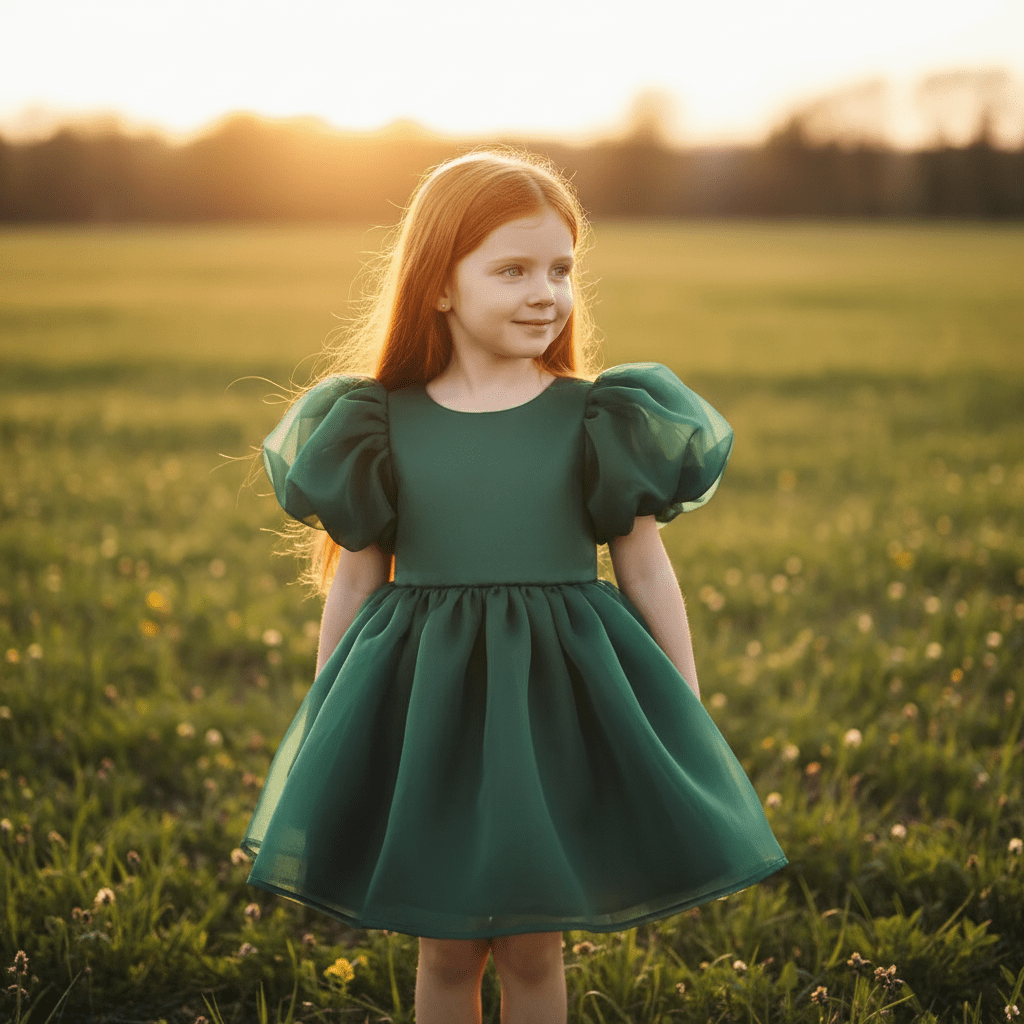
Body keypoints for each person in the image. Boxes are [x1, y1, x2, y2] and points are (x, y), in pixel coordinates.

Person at [241, 149, 787, 1024]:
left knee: (535, 943)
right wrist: (331, 714)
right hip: (430, 708)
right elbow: (354, 583)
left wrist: (681, 699)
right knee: (447, 944)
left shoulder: (598, 418)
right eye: (513, 270)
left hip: (553, 706)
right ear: (441, 286)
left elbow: (644, 565)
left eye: (562, 270)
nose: (547, 293)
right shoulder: (378, 426)